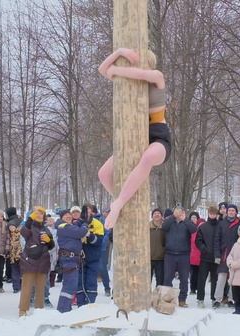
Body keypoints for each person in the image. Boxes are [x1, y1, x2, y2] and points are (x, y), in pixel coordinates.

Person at [97, 48, 172, 229]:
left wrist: (116, 70)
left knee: (148, 157)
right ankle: (122, 201)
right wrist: (118, 53)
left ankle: (118, 204)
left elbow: (134, 73)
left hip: (158, 135)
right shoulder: (128, 82)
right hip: (135, 137)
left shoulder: (156, 77)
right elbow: (102, 69)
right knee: (104, 174)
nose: (135, 67)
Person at [19, 207, 55, 316]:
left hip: (43, 261)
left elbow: (51, 246)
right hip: (29, 261)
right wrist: (29, 219)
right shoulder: (29, 226)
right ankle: (23, 310)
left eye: (42, 214)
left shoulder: (46, 229)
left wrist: (49, 241)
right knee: (27, 287)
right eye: (37, 213)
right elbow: (23, 232)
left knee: (41, 288)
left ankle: (39, 310)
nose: (39, 215)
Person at [162, 207, 197, 307]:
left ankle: (182, 300)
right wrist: (173, 216)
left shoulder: (187, 222)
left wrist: (184, 219)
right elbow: (164, 227)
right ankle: (167, 299)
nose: (178, 214)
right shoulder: (169, 221)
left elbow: (193, 229)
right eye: (177, 212)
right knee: (168, 278)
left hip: (184, 255)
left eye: (180, 212)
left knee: (184, 279)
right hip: (170, 254)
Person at [56, 210, 89, 313]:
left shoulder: (68, 226)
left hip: (73, 259)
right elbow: (80, 232)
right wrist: (84, 225)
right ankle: (63, 309)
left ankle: (64, 308)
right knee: (70, 284)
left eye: (69, 215)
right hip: (68, 260)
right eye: (66, 215)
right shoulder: (63, 226)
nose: (68, 217)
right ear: (62, 217)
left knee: (70, 284)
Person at [76, 205, 105, 306]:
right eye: (85, 212)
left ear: (92, 213)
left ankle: (90, 304)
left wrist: (89, 235)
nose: (87, 214)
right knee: (80, 281)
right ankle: (80, 304)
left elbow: (99, 241)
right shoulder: (77, 223)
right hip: (80, 258)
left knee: (91, 281)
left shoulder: (97, 224)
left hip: (93, 258)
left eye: (89, 212)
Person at [213, 204, 240, 308]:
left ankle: (231, 299)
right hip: (223, 254)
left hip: (235, 254)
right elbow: (217, 239)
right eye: (230, 210)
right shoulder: (221, 223)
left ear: (236, 212)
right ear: (227, 212)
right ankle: (217, 299)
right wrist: (217, 254)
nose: (231, 212)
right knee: (221, 277)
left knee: (233, 278)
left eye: (233, 210)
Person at [195, 206, 220, 307]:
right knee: (202, 279)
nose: (212, 215)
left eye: (214, 213)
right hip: (205, 258)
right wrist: (203, 249)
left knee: (215, 279)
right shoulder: (203, 226)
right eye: (211, 213)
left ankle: (214, 299)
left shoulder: (220, 226)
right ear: (208, 214)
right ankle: (200, 299)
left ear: (216, 214)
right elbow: (198, 240)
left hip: (216, 258)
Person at [149, 209, 166, 287]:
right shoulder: (147, 227)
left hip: (160, 258)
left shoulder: (165, 227)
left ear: (161, 216)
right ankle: (146, 297)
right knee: (147, 280)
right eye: (155, 213)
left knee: (160, 281)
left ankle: (158, 298)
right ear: (152, 216)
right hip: (149, 258)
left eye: (158, 213)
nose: (156, 215)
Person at [189, 211, 204, 295]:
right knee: (193, 273)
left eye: (195, 217)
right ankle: (192, 288)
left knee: (200, 273)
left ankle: (198, 287)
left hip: (200, 254)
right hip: (192, 254)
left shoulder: (200, 228)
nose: (193, 219)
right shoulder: (189, 228)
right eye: (192, 217)